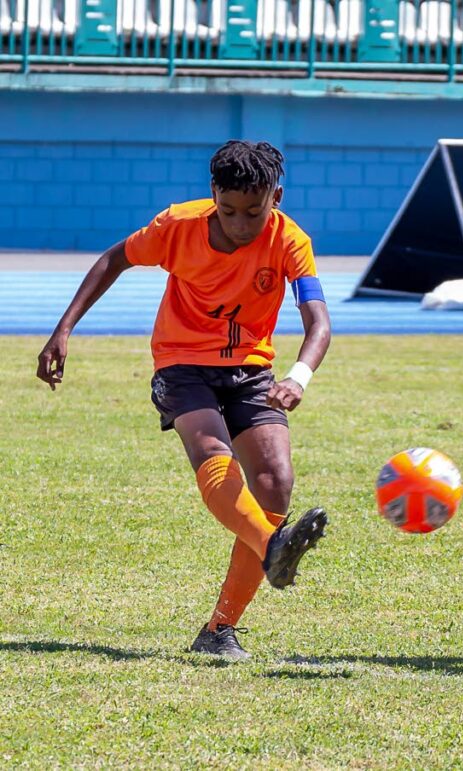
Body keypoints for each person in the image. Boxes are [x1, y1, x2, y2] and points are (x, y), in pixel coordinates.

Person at [36, 140, 332, 658]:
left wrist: (298, 377)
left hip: (250, 369)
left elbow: (319, 323)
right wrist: (64, 329)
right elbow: (114, 260)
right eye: (229, 210)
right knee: (214, 455)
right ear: (213, 193)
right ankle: (272, 547)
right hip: (181, 363)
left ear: (276, 198)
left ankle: (218, 631)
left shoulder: (291, 242)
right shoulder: (176, 226)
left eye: (254, 213)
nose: (241, 224)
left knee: (276, 485)